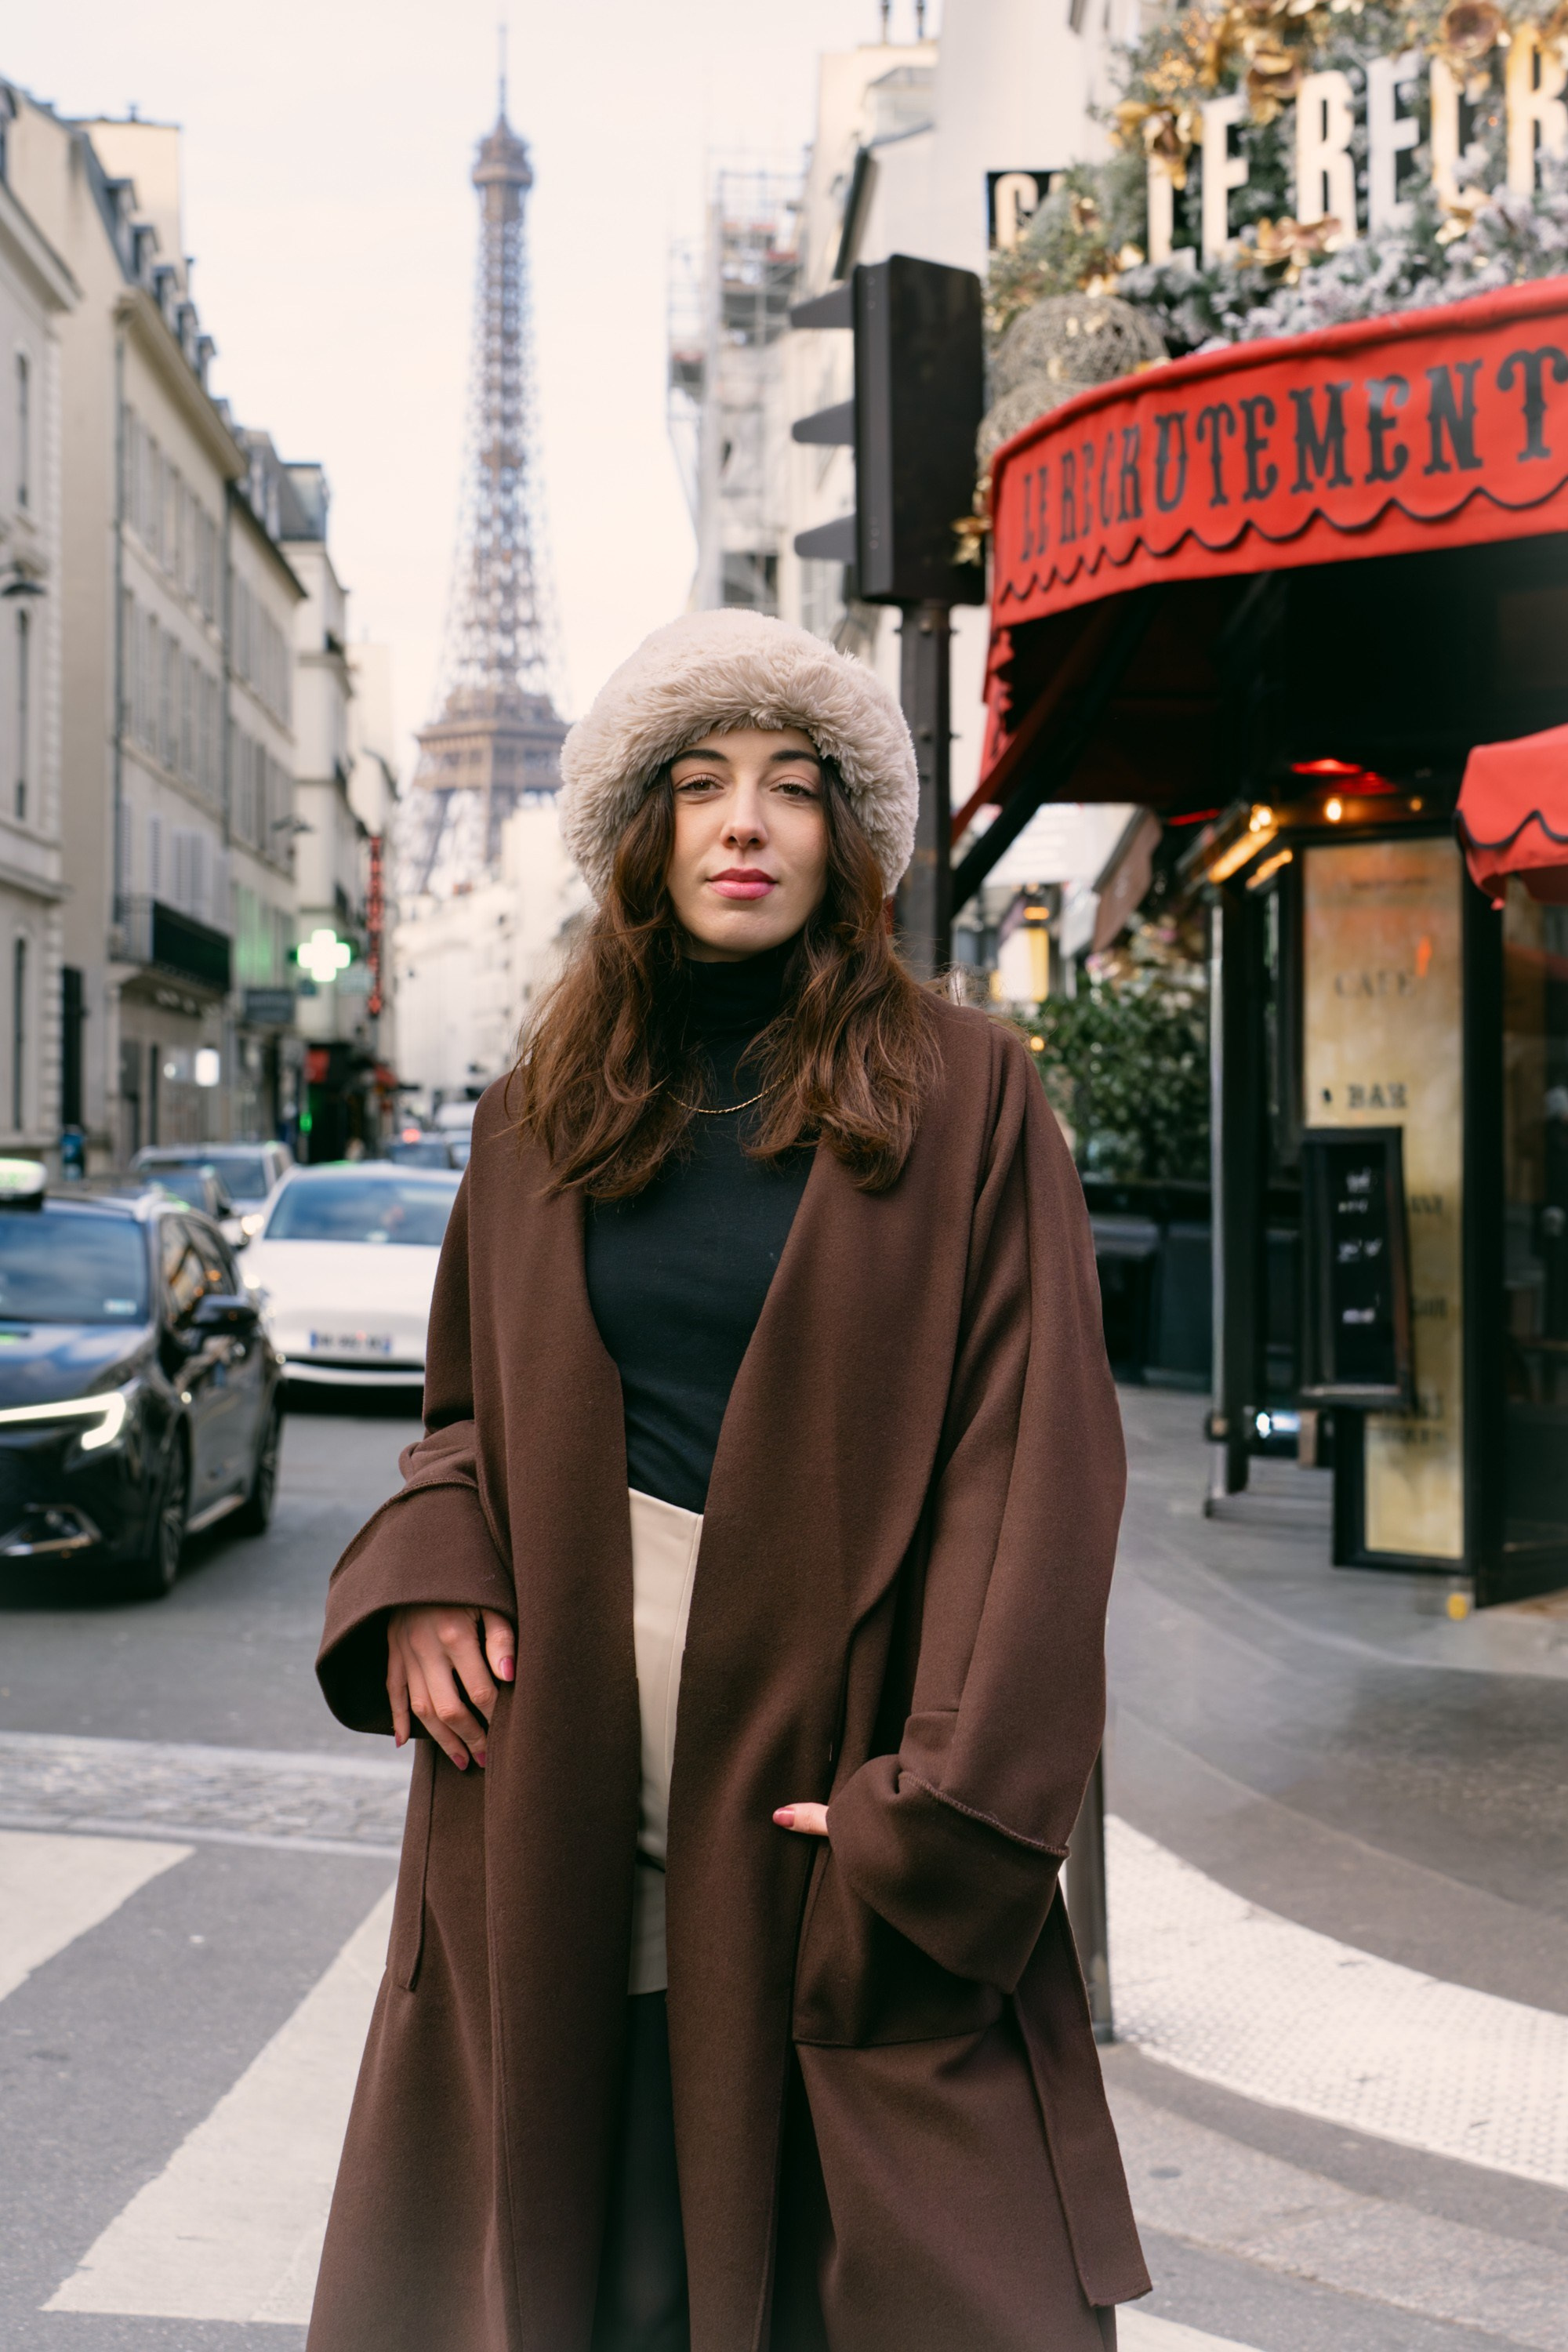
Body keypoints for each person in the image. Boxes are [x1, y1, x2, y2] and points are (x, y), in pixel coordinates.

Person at [308, 609, 1149, 2352]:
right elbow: (461, 1416)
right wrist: (427, 1572)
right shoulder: (539, 1107)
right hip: (559, 1788)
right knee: (582, 2260)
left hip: (823, 1796)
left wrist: (937, 1811)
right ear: (643, 834)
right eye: (698, 787)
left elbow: (1037, 1476)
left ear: (846, 842)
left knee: (854, 2277)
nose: (744, 823)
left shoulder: (970, 1095)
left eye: (790, 787)